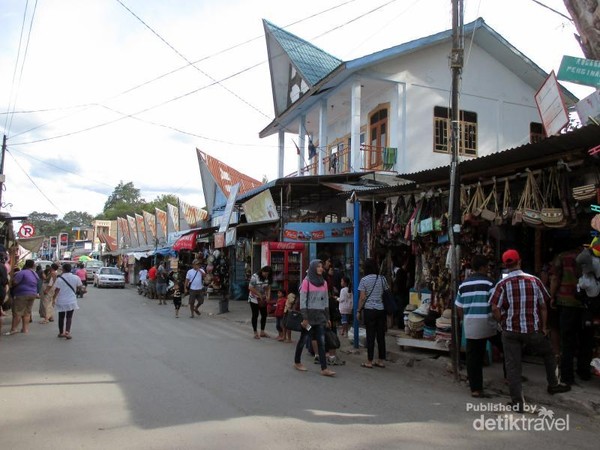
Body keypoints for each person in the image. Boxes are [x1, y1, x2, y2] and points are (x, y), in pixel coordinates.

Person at [489, 249, 570, 412]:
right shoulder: (534, 281)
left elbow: (494, 308)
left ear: (505, 265)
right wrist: (544, 327)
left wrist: (502, 321)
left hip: (510, 331)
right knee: (548, 353)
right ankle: (553, 384)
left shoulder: (502, 284)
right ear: (520, 261)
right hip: (532, 330)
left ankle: (518, 403)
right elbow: (543, 306)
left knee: (513, 366)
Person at [455, 255, 501, 398]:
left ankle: (476, 389)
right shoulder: (490, 283)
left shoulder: (463, 285)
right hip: (488, 324)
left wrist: (466, 319)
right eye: (487, 266)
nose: (488, 268)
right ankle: (509, 378)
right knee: (507, 346)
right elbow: (495, 307)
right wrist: (500, 321)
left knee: (473, 357)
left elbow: (459, 307)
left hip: (470, 325)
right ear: (482, 267)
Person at [550, 245, 593, 384]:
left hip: (567, 302)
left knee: (567, 341)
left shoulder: (562, 256)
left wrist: (552, 296)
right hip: (588, 304)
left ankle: (567, 376)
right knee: (586, 339)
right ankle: (584, 371)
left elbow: (555, 278)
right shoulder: (593, 256)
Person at [293, 259, 336, 377]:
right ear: (313, 268)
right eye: (318, 266)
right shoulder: (306, 282)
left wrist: (327, 317)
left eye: (322, 266)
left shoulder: (324, 283)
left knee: (321, 342)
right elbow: (303, 301)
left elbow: (326, 301)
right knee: (303, 339)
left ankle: (324, 368)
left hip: (320, 317)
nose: (321, 268)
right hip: (309, 318)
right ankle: (297, 362)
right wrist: (305, 318)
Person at [356, 258, 388, 369]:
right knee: (381, 336)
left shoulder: (364, 280)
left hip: (369, 310)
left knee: (370, 335)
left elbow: (362, 297)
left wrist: (358, 310)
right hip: (381, 310)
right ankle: (381, 360)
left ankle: (369, 361)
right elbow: (386, 293)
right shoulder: (382, 279)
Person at [5, 260, 39, 335]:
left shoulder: (22, 272)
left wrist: (11, 283)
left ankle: (14, 329)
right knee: (27, 312)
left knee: (18, 312)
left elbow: (15, 282)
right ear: (33, 265)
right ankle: (25, 329)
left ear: (25, 265)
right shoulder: (35, 274)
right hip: (33, 294)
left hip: (22, 294)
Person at [52, 263, 82, 339]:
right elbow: (80, 287)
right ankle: (67, 332)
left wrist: (53, 299)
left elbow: (57, 290)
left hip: (61, 300)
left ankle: (61, 332)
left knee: (61, 317)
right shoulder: (76, 277)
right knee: (69, 317)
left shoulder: (59, 279)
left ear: (63, 269)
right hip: (71, 300)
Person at [248, 266, 272, 339]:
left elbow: (268, 288)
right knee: (255, 315)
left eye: (268, 274)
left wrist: (268, 296)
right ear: (262, 271)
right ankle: (255, 332)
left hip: (263, 299)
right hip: (254, 298)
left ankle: (262, 331)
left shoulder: (268, 278)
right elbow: (250, 287)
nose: (266, 275)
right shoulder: (255, 277)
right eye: (265, 273)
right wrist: (258, 294)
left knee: (264, 314)